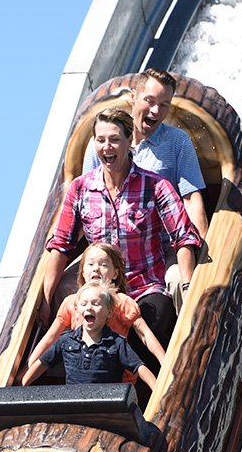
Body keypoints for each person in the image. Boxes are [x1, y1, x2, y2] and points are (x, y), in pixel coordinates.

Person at [42, 108, 201, 373]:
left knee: (154, 317)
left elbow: (183, 236)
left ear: (130, 142)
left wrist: (187, 285)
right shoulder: (81, 188)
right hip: (97, 293)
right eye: (101, 140)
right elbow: (61, 244)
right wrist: (45, 302)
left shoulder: (156, 185)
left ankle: (151, 389)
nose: (107, 147)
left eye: (114, 139)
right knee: (82, 325)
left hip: (144, 285)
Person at [84, 68, 209, 311]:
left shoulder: (176, 142)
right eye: (150, 101)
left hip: (163, 247)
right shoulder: (101, 143)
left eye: (164, 105)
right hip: (111, 251)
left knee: (179, 281)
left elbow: (192, 198)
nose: (156, 111)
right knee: (74, 290)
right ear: (133, 98)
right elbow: (85, 200)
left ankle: (188, 342)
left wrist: (201, 249)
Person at [22, 242, 166, 387]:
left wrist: (165, 361)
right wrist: (28, 367)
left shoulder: (122, 302)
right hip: (82, 381)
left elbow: (145, 334)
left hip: (118, 384)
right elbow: (50, 338)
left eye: (103, 265)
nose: (96, 268)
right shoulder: (72, 303)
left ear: (115, 273)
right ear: (83, 272)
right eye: (90, 264)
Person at [22, 281, 157, 390]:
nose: (89, 307)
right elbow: (43, 362)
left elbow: (138, 367)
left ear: (109, 313)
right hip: (74, 404)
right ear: (77, 311)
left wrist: (156, 388)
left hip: (106, 405)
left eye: (96, 303)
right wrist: (23, 385)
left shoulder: (116, 343)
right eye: (84, 304)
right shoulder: (66, 341)